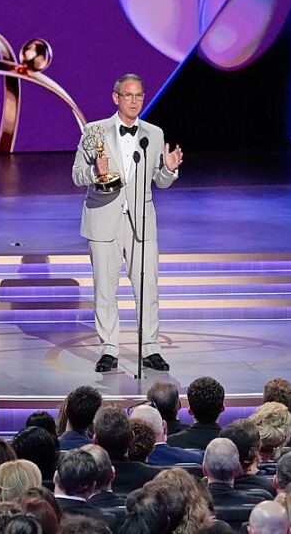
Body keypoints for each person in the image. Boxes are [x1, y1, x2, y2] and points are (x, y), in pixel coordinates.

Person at [72, 73, 183, 373]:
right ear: (116, 98)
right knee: (105, 291)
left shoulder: (154, 134)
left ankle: (150, 349)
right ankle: (109, 350)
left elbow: (159, 180)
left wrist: (169, 170)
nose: (134, 101)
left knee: (148, 289)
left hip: (142, 222)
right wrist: (95, 172)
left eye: (139, 96)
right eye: (128, 96)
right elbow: (76, 174)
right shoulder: (94, 131)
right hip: (103, 220)